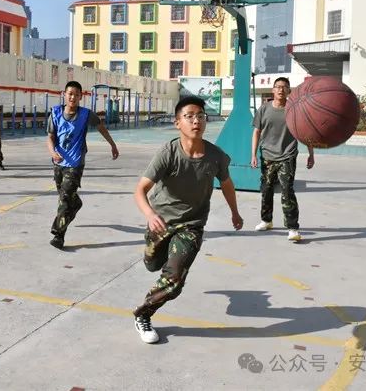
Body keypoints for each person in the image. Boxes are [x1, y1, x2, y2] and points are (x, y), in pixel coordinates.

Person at [132, 96, 244, 344]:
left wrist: (235, 213)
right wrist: (150, 215)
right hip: (161, 222)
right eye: (190, 116)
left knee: (174, 281)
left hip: (192, 225)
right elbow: (140, 190)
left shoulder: (216, 156)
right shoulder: (168, 153)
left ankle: (143, 314)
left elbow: (226, 184)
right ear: (177, 123)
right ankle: (161, 255)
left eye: (201, 116)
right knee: (152, 264)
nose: (196, 121)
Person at [47, 80, 119, 249]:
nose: (72, 97)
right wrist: (52, 153)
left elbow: (101, 128)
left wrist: (113, 145)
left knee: (65, 199)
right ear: (64, 95)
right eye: (70, 94)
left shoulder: (86, 114)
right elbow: (50, 137)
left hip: (76, 163)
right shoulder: (55, 113)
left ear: (80, 97)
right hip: (59, 162)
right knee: (64, 195)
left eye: (76, 94)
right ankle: (77, 203)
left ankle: (59, 235)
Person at [251, 77, 314, 241]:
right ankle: (266, 220)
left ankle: (293, 228)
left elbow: (305, 132)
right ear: (273, 90)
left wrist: (311, 154)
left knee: (287, 191)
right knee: (266, 190)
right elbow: (256, 132)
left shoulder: (294, 109)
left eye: (284, 87)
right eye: (278, 87)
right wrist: (253, 155)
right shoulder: (264, 109)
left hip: (287, 155)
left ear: (289, 91)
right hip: (267, 156)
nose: (280, 89)